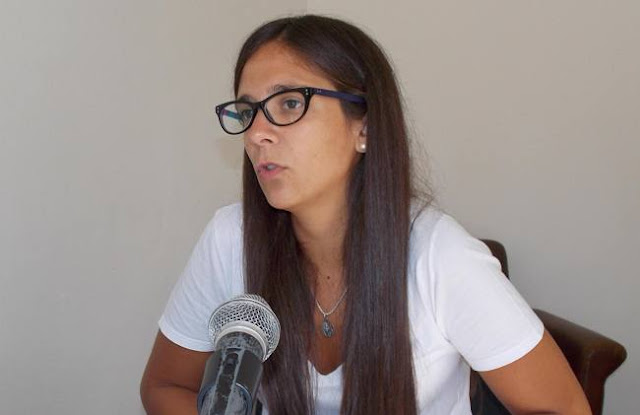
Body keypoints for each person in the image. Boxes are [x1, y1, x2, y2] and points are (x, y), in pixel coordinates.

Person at [140, 14, 591, 415]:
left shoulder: (441, 256)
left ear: (365, 126)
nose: (257, 134)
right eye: (247, 112)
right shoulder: (230, 238)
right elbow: (165, 386)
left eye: (290, 104)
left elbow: (566, 408)